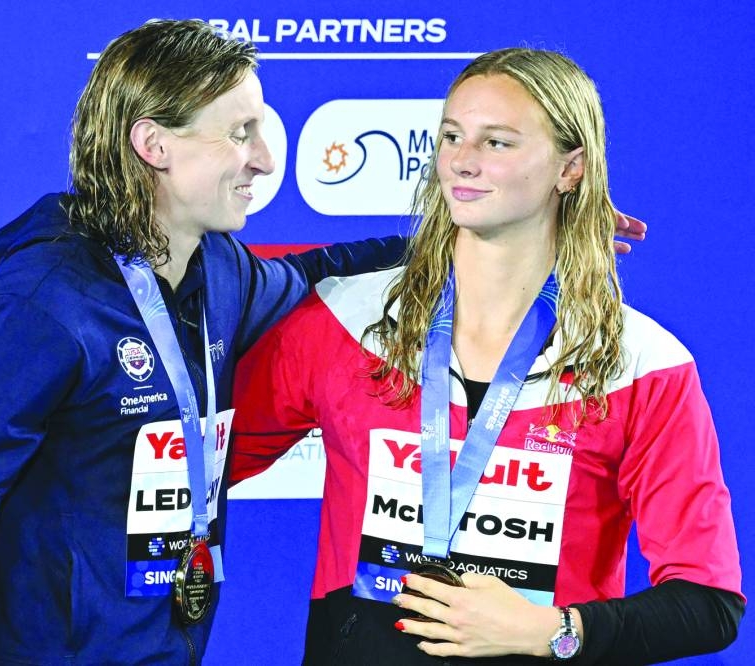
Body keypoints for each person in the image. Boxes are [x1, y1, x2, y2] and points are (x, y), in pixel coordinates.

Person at [0, 19, 409, 665]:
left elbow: (313, 272)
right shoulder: (42, 305)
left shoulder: (219, 268)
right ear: (154, 144)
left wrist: (455, 239)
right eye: (239, 132)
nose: (265, 159)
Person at [231, 47, 743, 665]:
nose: (462, 162)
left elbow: (707, 602)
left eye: (498, 143)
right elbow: (199, 468)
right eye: (452, 135)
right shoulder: (344, 323)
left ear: (570, 169)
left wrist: (550, 631)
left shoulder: (641, 366)